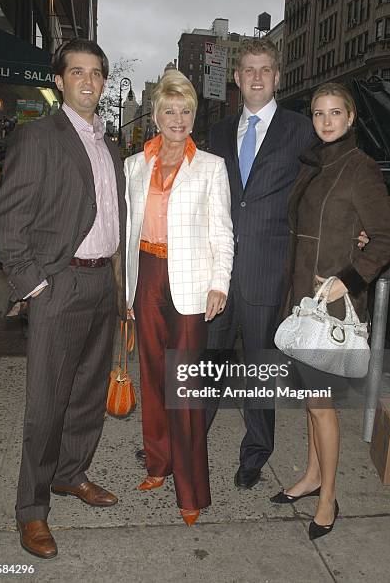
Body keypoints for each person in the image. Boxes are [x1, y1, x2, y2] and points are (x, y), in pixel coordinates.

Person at [0, 38, 126, 559]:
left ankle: (72, 474)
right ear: (60, 80)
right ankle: (31, 510)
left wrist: (119, 284)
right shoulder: (38, 136)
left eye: (96, 73)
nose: (88, 81)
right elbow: (9, 219)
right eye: (78, 72)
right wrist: (33, 283)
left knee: (88, 394)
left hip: (101, 285)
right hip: (60, 285)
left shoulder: (109, 145)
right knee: (46, 404)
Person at [270, 82, 390, 539]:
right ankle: (311, 477)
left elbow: (386, 237)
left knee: (322, 406)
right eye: (319, 114)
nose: (326, 122)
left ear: (350, 119)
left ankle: (328, 498)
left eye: (335, 114)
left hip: (332, 309)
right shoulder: (315, 163)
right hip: (303, 303)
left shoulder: (359, 168)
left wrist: (348, 278)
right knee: (310, 401)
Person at [206, 38, 315, 490]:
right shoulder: (215, 133)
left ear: (277, 76)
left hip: (268, 273)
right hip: (217, 275)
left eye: (264, 69)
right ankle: (183, 443)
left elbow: (327, 186)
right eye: (248, 69)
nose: (255, 77)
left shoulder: (301, 130)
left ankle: (255, 453)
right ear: (236, 78)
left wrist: (359, 228)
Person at [125, 69, 233, 525]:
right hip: (146, 274)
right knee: (152, 375)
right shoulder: (134, 165)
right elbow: (127, 232)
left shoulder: (210, 166)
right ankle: (158, 463)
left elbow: (222, 233)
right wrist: (126, 289)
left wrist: (219, 283)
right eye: (169, 109)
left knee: (185, 385)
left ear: (193, 116)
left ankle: (191, 491)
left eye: (185, 110)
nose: (178, 117)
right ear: (155, 114)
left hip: (190, 282)